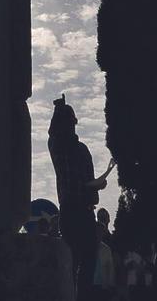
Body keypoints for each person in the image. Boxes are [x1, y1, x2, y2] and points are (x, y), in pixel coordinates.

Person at [49, 95, 113, 300]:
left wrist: (96, 186)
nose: (71, 128)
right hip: (71, 210)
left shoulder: (81, 149)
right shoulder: (60, 147)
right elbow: (53, 136)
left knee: (86, 262)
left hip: (83, 212)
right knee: (74, 263)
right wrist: (58, 109)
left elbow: (89, 184)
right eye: (68, 123)